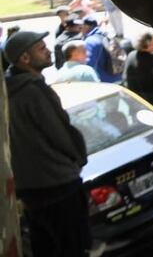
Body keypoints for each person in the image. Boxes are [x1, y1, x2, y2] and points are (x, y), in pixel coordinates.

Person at [5, 30, 92, 256]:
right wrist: (78, 159)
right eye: (41, 49)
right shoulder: (33, 91)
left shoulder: (9, 93)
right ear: (25, 58)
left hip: (30, 192)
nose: (48, 51)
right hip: (59, 187)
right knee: (73, 247)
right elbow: (60, 133)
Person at [83, 16, 122, 83]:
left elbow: (89, 65)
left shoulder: (90, 41)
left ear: (86, 26)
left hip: (103, 82)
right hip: (118, 79)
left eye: (81, 27)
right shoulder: (109, 36)